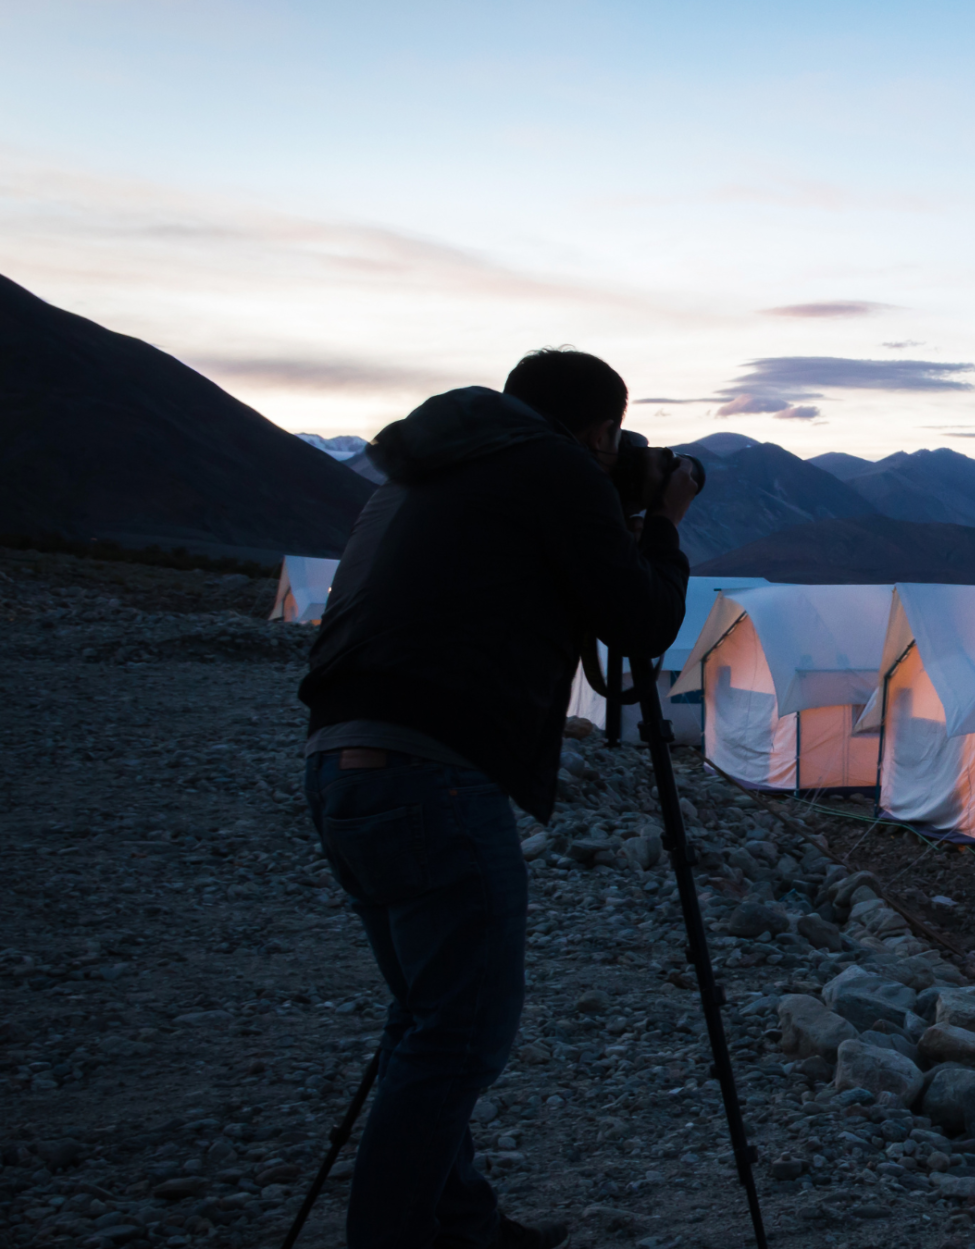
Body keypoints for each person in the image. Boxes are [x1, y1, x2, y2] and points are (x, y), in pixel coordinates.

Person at [298, 349, 695, 1249]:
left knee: (430, 1017)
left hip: (339, 765)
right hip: (432, 775)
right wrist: (663, 523)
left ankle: (461, 1223)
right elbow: (639, 620)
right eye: (614, 437)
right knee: (460, 1037)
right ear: (598, 431)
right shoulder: (553, 467)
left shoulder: (426, 468)